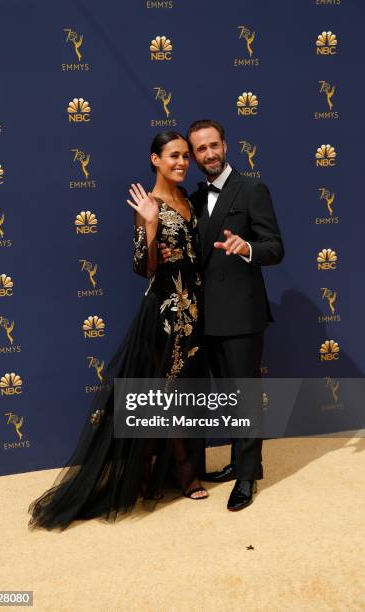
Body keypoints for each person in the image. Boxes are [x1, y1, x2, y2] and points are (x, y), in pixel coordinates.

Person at [28, 131, 208, 531]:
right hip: (163, 312)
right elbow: (143, 268)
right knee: (164, 392)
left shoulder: (188, 201)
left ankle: (165, 469)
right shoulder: (151, 204)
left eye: (185, 156)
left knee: (183, 391)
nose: (182, 162)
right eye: (173, 156)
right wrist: (148, 225)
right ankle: (173, 471)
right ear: (155, 160)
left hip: (193, 312)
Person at [161, 120, 284, 510]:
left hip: (241, 314)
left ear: (226, 146)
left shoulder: (251, 189)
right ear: (194, 156)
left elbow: (275, 248)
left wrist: (246, 246)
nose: (209, 154)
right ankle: (236, 462)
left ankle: (248, 476)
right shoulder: (193, 198)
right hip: (204, 316)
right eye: (200, 149)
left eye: (214, 145)